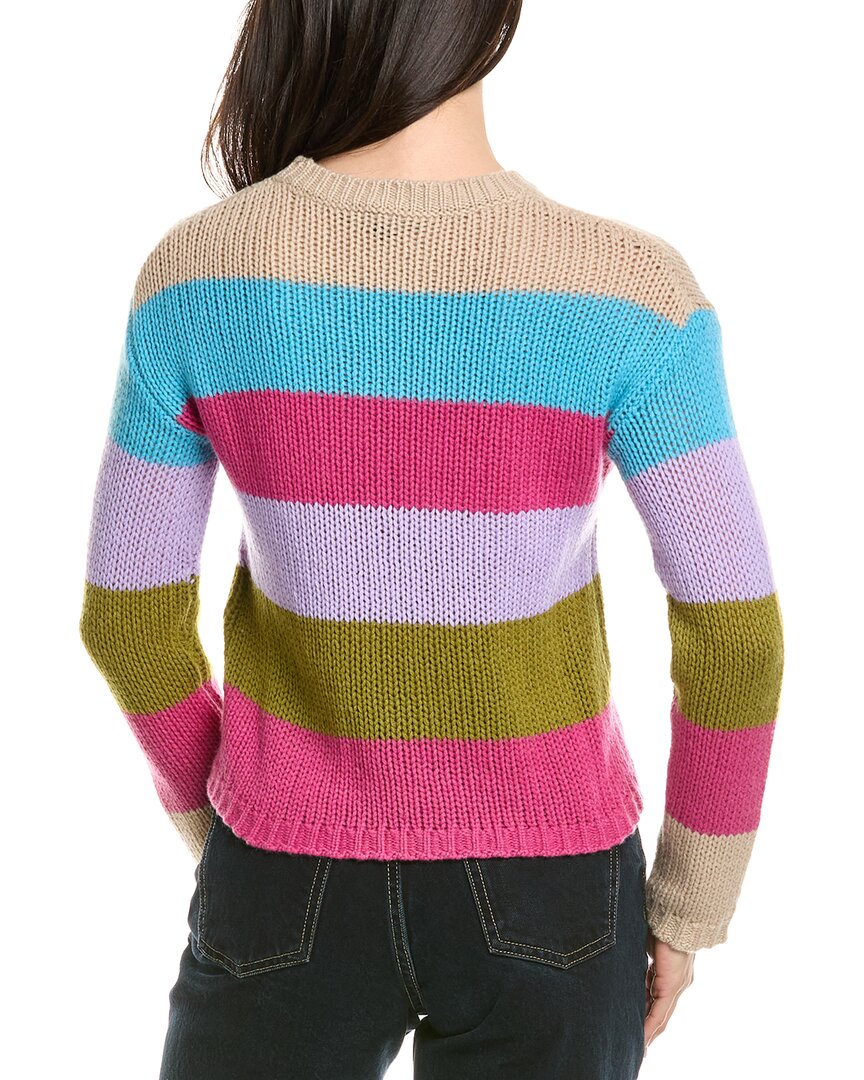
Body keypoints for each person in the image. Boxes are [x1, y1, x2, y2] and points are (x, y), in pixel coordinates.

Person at [78, 1, 784, 1077]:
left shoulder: (198, 276)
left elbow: (128, 622)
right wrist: (691, 906)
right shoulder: (634, 292)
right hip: (553, 879)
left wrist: (232, 831)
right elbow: (737, 634)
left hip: (284, 871)